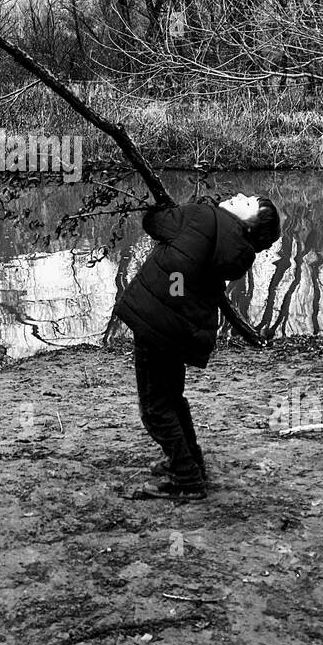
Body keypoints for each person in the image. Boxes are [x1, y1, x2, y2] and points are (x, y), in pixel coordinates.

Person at [114, 192, 281, 500]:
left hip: (158, 321)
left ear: (247, 222)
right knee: (172, 399)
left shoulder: (203, 216)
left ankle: (186, 478)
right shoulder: (238, 252)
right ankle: (190, 461)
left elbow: (154, 222)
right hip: (181, 330)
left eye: (246, 202)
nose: (239, 195)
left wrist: (168, 205)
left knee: (155, 408)